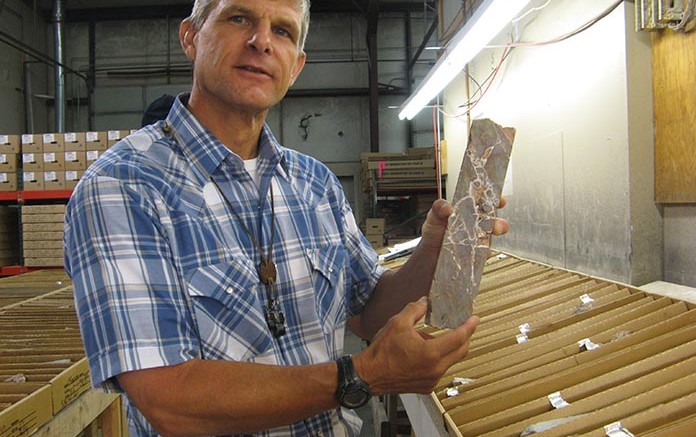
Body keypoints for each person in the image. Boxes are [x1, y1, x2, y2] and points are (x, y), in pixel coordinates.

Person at [63, 0, 509, 436]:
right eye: (239, 18)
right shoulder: (123, 186)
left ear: (296, 65)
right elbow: (170, 401)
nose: (261, 42)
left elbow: (370, 312)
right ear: (191, 37)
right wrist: (362, 375)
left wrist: (434, 249)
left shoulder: (313, 183)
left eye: (283, 30)